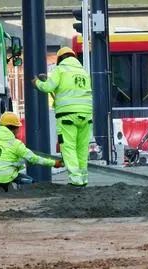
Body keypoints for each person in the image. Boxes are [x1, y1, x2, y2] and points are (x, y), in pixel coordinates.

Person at [33, 47, 93, 187]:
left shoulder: (60, 70)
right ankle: (83, 179)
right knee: (82, 149)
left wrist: (36, 82)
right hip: (86, 116)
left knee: (69, 148)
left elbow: (48, 87)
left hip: (67, 117)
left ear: (60, 59)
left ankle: (76, 180)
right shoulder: (84, 72)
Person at [0, 112, 62, 192]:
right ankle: (15, 188)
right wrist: (53, 163)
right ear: (15, 128)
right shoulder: (16, 144)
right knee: (32, 183)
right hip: (7, 180)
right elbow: (34, 158)